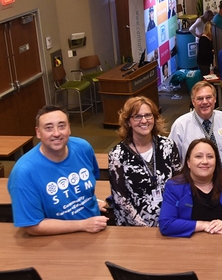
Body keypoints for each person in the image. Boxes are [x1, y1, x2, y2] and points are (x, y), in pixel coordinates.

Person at [8, 105, 108, 235]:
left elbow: (89, 181)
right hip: (55, 239)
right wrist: (82, 225)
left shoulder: (83, 148)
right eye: (48, 128)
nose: (56, 133)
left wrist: (91, 201)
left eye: (62, 126)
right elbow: (32, 226)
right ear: (38, 132)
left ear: (69, 128)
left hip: (95, 229)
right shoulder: (24, 172)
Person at [108, 96, 182, 227]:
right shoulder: (117, 155)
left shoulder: (168, 146)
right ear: (128, 122)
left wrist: (171, 220)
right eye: (137, 116)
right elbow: (121, 200)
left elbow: (179, 184)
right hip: (135, 227)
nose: (144, 120)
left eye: (148, 115)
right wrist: (144, 229)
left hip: (169, 221)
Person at [159, 138, 222, 237]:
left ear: (216, 161)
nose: (205, 161)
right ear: (188, 162)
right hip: (189, 247)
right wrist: (205, 225)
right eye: (198, 156)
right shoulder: (174, 186)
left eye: (210, 157)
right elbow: (166, 224)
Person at [170, 81, 222, 172]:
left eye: (208, 97)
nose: (205, 102)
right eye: (200, 98)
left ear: (215, 99)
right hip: (193, 182)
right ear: (193, 102)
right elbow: (173, 160)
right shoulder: (180, 126)